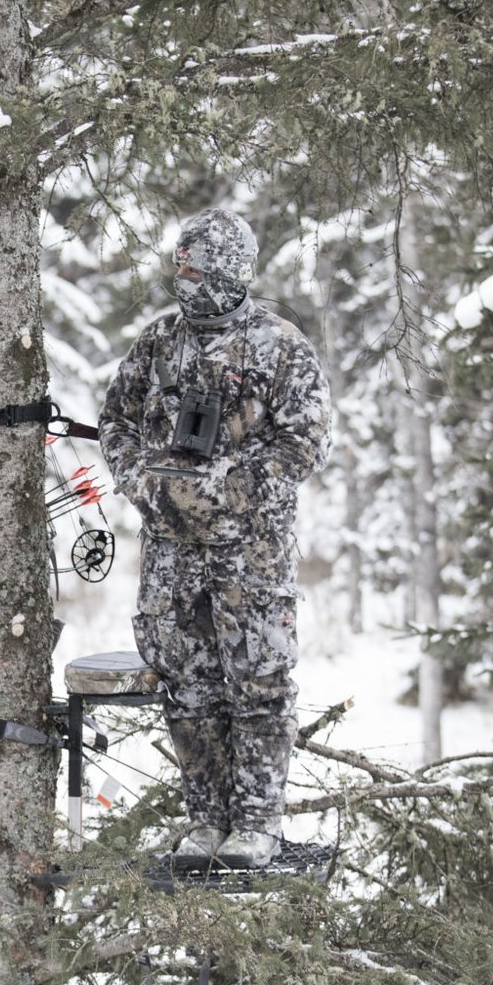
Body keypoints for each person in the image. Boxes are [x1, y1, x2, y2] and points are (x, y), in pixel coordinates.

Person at [97, 208, 332, 868]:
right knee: (188, 686)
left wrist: (233, 490)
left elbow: (307, 440)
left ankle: (256, 824)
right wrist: (141, 480)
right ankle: (206, 820)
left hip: (249, 554)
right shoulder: (157, 343)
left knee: (258, 682)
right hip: (172, 554)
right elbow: (115, 420)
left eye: (199, 271)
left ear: (232, 273)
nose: (186, 281)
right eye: (181, 269)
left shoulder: (280, 345)